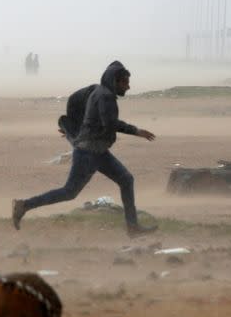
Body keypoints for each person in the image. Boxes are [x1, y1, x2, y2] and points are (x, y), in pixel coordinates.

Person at [11, 61, 158, 238]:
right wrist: (136, 131)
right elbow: (109, 123)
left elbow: (84, 111)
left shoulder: (97, 90)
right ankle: (24, 205)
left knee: (126, 179)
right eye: (124, 83)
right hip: (88, 153)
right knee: (69, 192)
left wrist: (73, 130)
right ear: (115, 81)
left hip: (98, 151)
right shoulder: (105, 97)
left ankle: (133, 227)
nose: (128, 87)